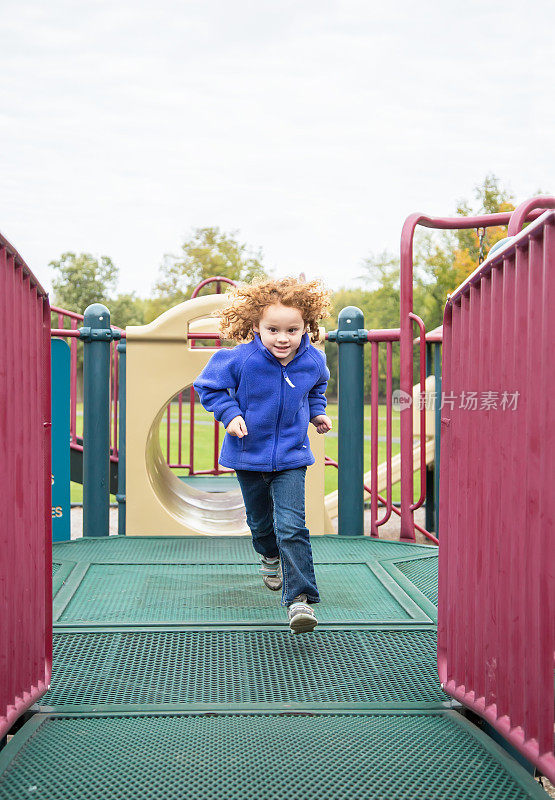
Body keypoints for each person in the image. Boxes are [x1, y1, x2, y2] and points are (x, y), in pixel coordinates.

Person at [193, 277, 333, 633]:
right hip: (248, 454)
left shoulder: (313, 360)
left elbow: (317, 387)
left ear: (306, 327)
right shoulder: (239, 359)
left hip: (291, 457)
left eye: (292, 330)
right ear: (255, 326)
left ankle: (299, 601)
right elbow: (207, 387)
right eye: (273, 329)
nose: (282, 338)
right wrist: (230, 413)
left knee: (292, 524)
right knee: (260, 523)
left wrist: (317, 412)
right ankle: (268, 555)